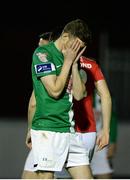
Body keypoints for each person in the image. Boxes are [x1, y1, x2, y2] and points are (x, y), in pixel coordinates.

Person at [24, 19, 94, 179]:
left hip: (69, 130)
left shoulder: (72, 58)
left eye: (81, 48)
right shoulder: (43, 54)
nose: (78, 50)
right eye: (76, 46)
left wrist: (74, 65)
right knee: (46, 177)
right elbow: (54, 91)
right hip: (48, 130)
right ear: (65, 36)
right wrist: (68, 62)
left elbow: (79, 95)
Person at [91, 92, 118, 179]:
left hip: (99, 138)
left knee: (103, 170)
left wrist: (113, 141)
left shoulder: (104, 92)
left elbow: (112, 117)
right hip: (79, 137)